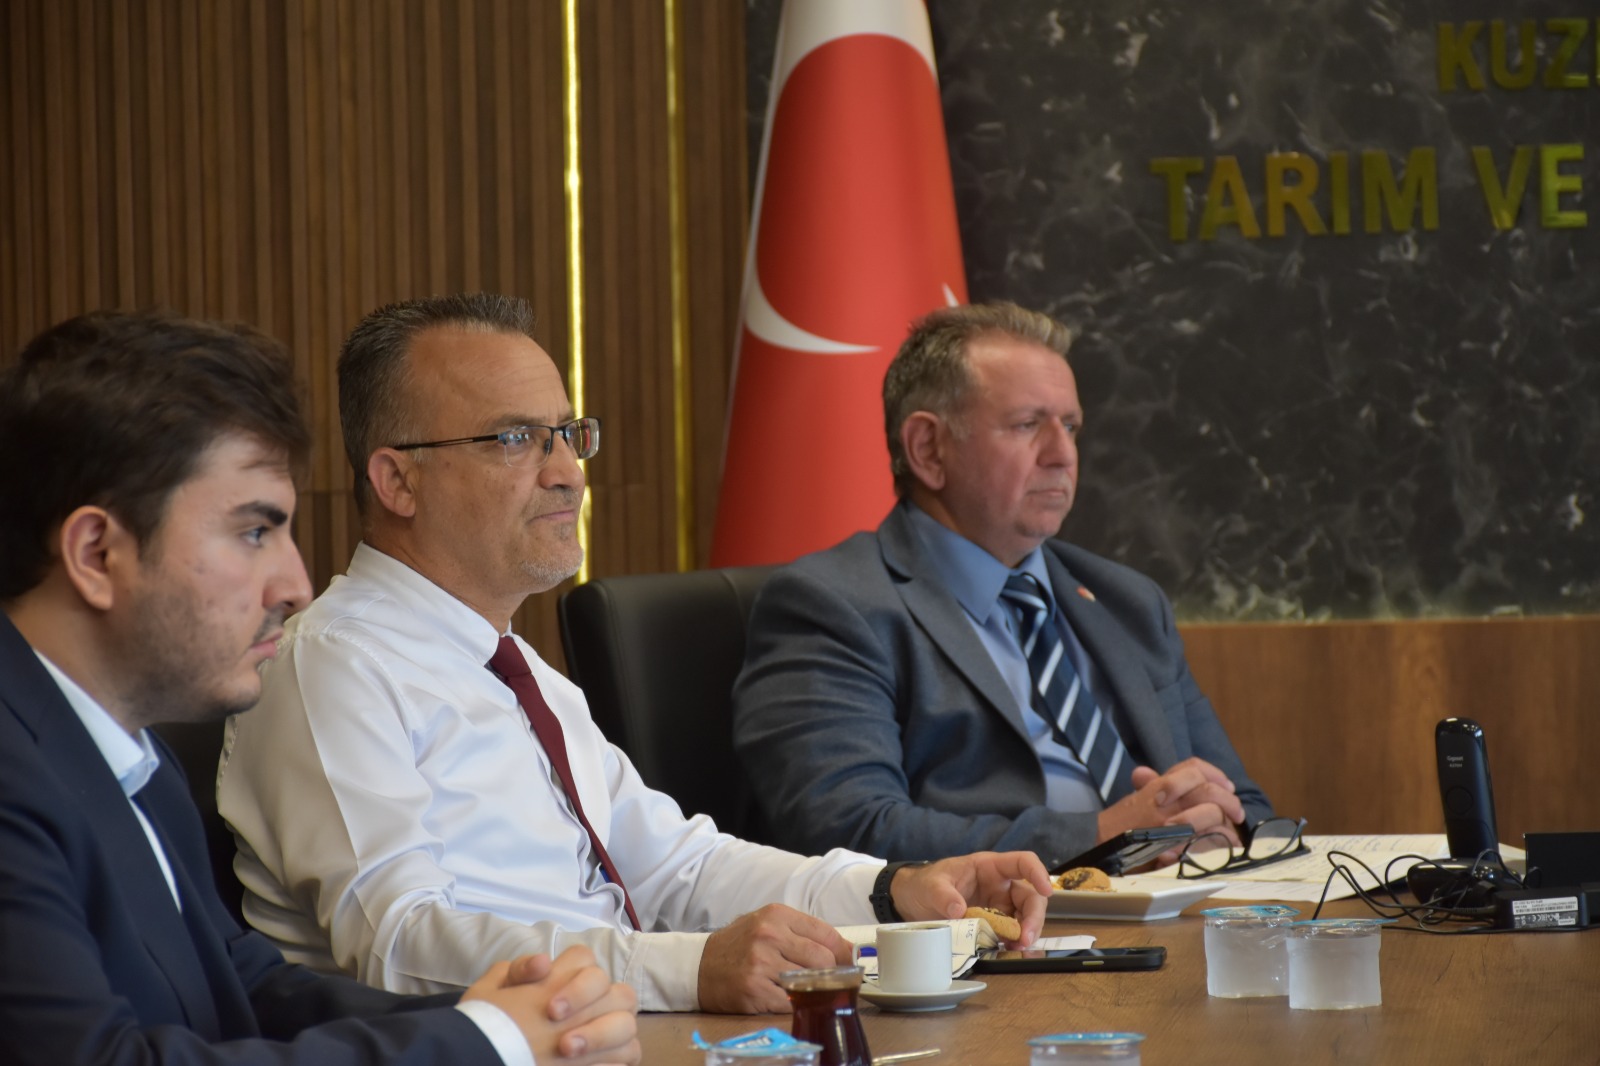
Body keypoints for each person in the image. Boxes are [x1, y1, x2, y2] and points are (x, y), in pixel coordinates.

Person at [218, 293, 1053, 1015]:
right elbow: (396, 944)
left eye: (566, 434)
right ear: (398, 481)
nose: (566, 474)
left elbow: (680, 869)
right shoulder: (329, 666)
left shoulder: (522, 673)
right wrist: (689, 969)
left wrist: (893, 888)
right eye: (516, 439)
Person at [0, 309, 640, 1066]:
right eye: (253, 533)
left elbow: (244, 989)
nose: (296, 585)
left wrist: (504, 1016)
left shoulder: (133, 759)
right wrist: (488, 1041)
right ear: (96, 554)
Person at [730, 301, 1273, 870]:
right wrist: (1104, 835)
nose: (1063, 456)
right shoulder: (833, 606)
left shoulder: (1128, 602)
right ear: (928, 449)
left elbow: (1245, 806)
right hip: (1002, 921)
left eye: (1070, 426)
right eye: (1026, 425)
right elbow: (848, 830)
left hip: (1179, 902)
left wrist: (1216, 826)